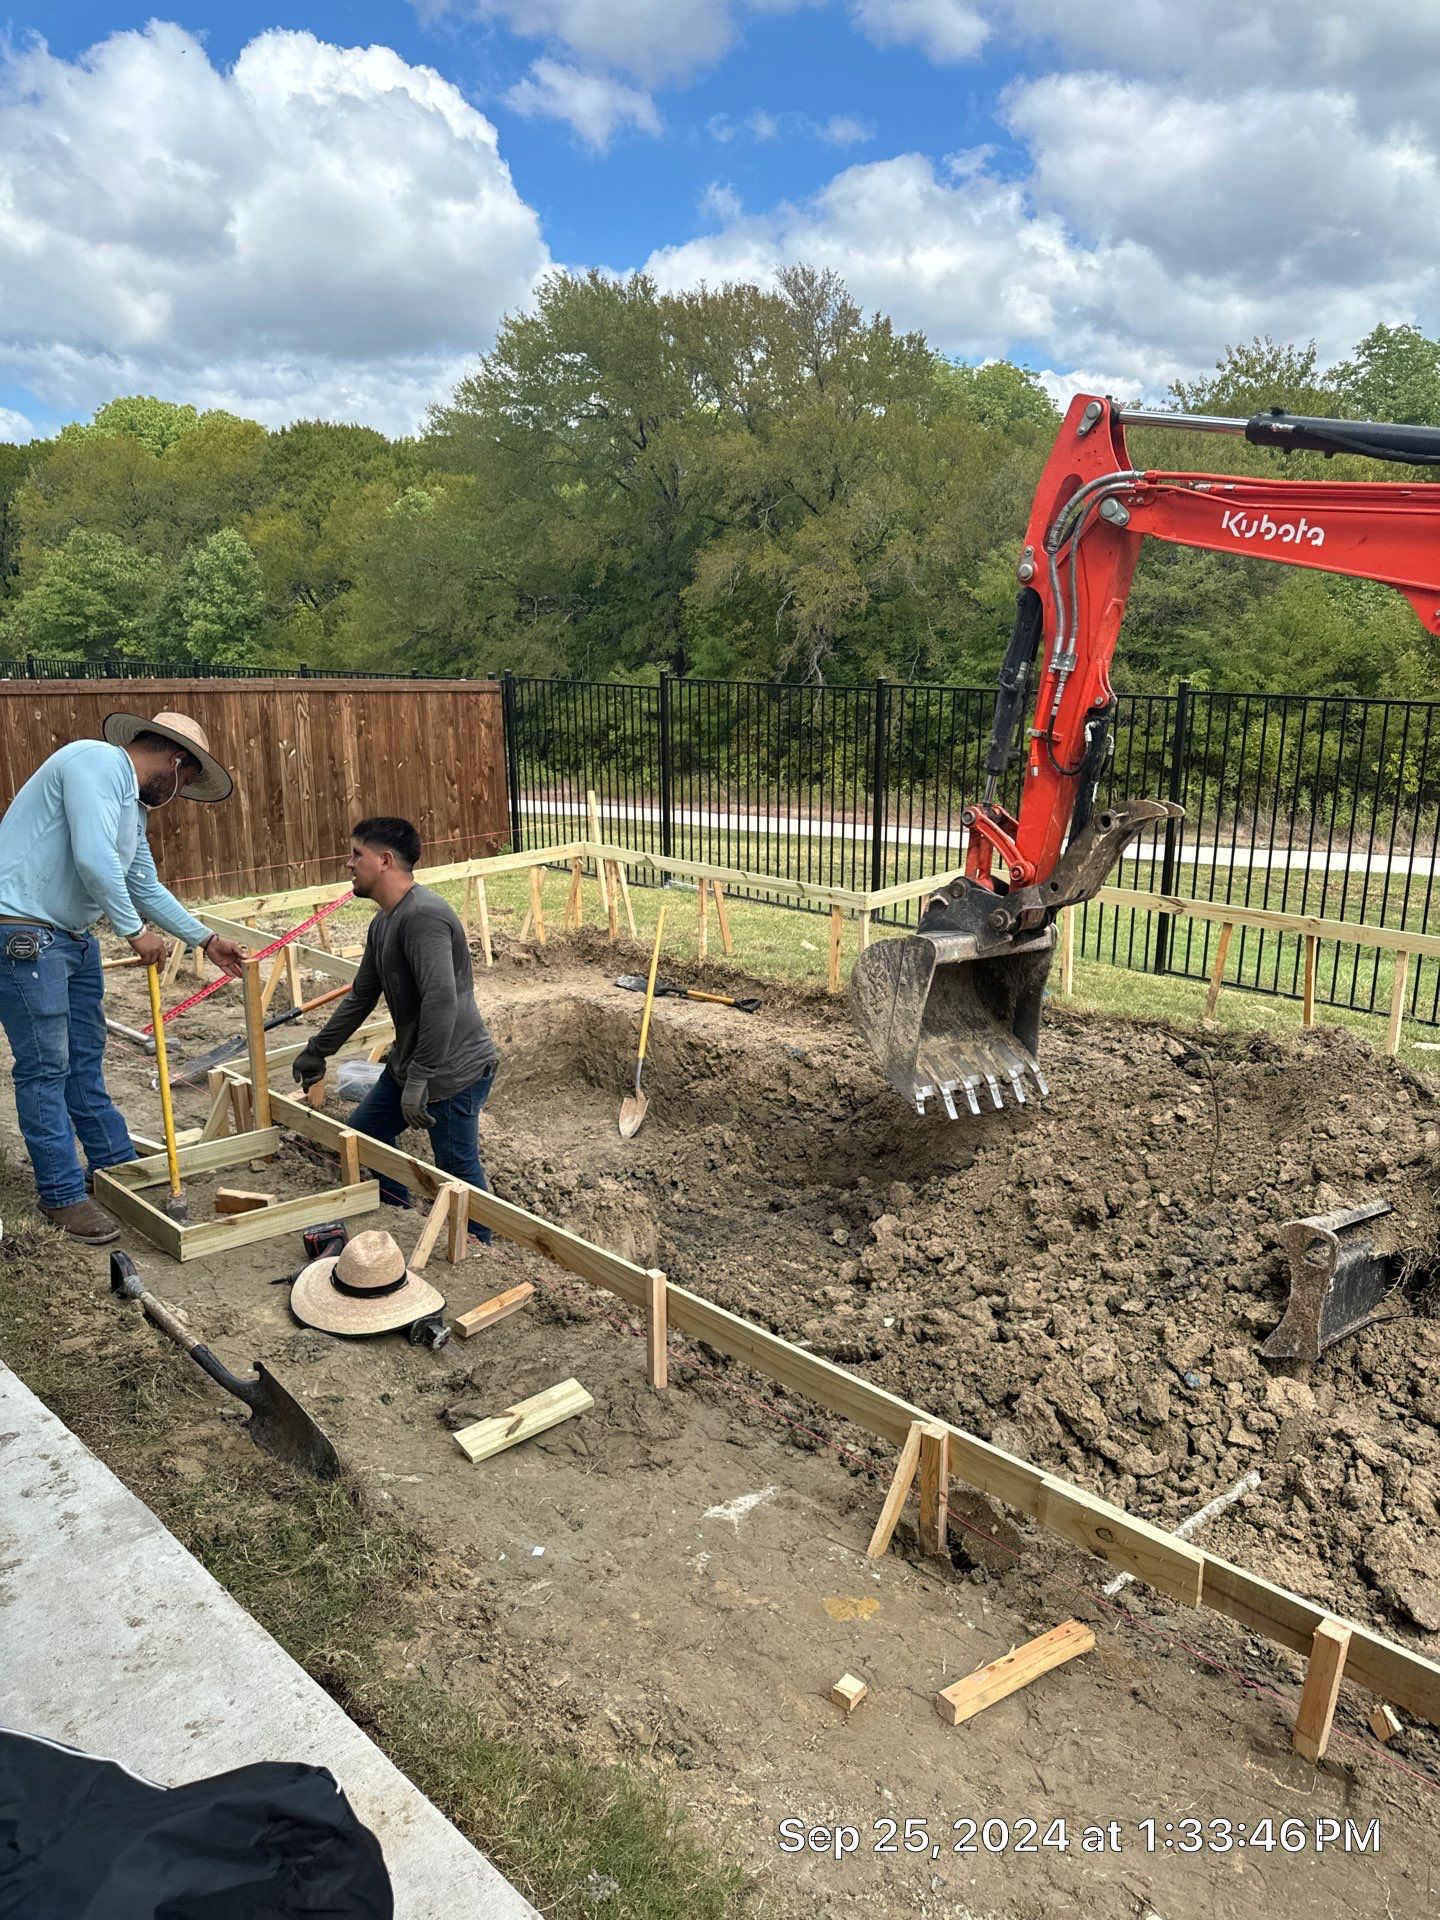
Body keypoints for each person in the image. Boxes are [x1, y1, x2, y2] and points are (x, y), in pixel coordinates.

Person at [0, 710, 246, 1243]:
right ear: (176, 763)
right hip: (23, 932)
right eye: (183, 786)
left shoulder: (131, 809)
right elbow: (93, 859)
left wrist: (204, 938)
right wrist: (135, 932)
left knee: (83, 1058)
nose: (175, 796)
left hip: (71, 937)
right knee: (45, 1067)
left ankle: (112, 1163)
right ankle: (62, 1194)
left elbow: (144, 884)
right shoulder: (94, 761)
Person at [291, 817, 498, 1238]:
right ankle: (399, 1210)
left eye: (356, 855)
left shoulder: (424, 917)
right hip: (412, 1065)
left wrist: (421, 1079)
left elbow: (444, 1002)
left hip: (453, 1071)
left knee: (456, 1170)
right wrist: (318, 1049)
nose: (349, 864)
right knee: (367, 1132)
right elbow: (361, 996)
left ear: (385, 861)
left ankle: (483, 1249)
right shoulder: (384, 922)